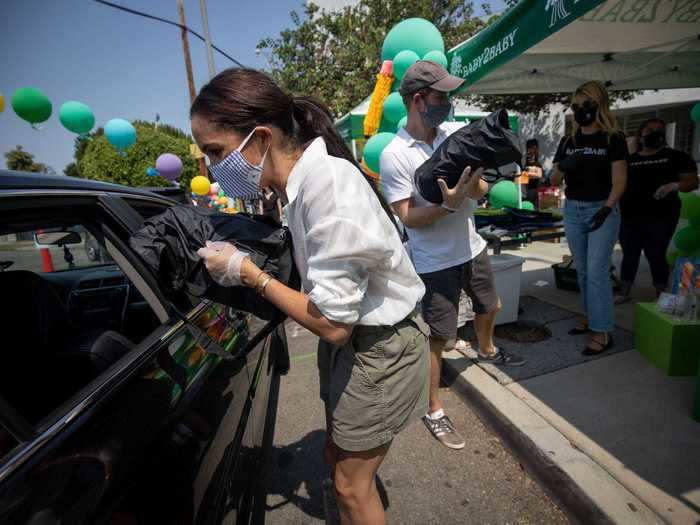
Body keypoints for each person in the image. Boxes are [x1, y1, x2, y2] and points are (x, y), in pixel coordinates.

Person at [191, 68, 430, 525]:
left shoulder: (328, 188)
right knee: (337, 454)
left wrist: (248, 274)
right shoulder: (297, 189)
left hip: (376, 348)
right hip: (355, 346)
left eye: (216, 153)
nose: (214, 169)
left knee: (350, 488)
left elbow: (333, 324)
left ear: (259, 139)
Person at [380, 61, 525, 451]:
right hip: (434, 261)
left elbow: (477, 191)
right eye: (441, 95)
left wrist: (477, 182)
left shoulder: (454, 135)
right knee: (439, 339)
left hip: (471, 246)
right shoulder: (394, 155)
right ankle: (434, 409)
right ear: (418, 100)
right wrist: (446, 206)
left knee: (491, 305)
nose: (448, 101)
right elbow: (409, 216)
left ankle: (487, 349)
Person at [551, 81, 628, 355]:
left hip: (601, 208)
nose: (581, 110)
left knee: (597, 272)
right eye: (576, 106)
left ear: (599, 106)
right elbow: (553, 178)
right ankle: (590, 316)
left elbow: (620, 181)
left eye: (587, 105)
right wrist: (564, 165)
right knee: (582, 270)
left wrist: (607, 209)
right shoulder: (568, 141)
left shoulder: (613, 138)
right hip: (573, 209)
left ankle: (603, 329)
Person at [616, 118, 699, 302]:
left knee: (656, 253)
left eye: (659, 129)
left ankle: (661, 293)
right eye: (650, 129)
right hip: (630, 215)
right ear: (641, 134)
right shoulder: (630, 159)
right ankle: (624, 291)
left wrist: (674, 185)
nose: (655, 132)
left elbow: (693, 181)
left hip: (662, 215)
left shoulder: (677, 157)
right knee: (629, 253)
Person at [523, 138, 544, 208]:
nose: (529, 151)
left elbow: (539, 175)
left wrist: (525, 174)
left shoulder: (537, 163)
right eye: (528, 148)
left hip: (534, 188)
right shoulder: (526, 161)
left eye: (532, 148)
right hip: (528, 188)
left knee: (533, 205)